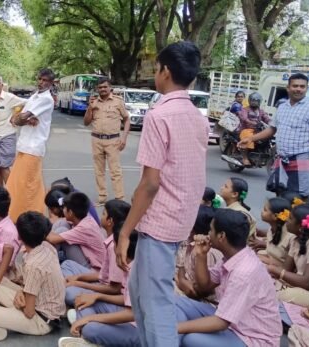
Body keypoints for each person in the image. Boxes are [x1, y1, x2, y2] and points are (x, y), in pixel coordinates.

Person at [115, 41, 207, 347]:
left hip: (161, 221)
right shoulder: (197, 116)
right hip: (180, 217)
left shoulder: (159, 115)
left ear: (165, 72)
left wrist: (125, 232)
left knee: (156, 305)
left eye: (156, 68)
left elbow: (150, 183)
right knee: (140, 294)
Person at [174, 209, 281, 346]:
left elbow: (221, 322)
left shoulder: (244, 272)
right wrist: (201, 255)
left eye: (211, 230)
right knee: (176, 302)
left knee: (191, 339)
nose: (208, 234)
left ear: (221, 236)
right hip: (233, 322)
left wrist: (177, 327)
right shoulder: (233, 256)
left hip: (251, 337)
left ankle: (171, 337)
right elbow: (204, 287)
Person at [0, 212, 66, 345]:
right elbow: (36, 285)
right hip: (39, 302)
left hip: (40, 320)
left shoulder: (34, 265)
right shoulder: (47, 247)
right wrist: (21, 292)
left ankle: (0, 323)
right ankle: (2, 318)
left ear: (19, 236)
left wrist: (19, 303)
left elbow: (29, 312)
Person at [239, 73, 309, 197]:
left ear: (306, 89)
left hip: (301, 158)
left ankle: (305, 217)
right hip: (281, 158)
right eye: (295, 86)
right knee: (280, 195)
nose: (298, 89)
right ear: (288, 88)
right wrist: (251, 138)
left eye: (302, 86)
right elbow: (272, 129)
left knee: (301, 197)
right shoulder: (282, 107)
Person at [57, 231, 140, 347]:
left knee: (90, 329)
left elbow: (132, 314)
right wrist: (97, 296)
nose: (113, 247)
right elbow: (127, 299)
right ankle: (92, 335)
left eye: (115, 244)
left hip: (139, 328)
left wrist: (90, 318)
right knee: (83, 301)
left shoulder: (137, 271)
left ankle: (91, 334)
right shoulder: (130, 264)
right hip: (127, 312)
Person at [6, 68, 56, 222]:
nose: (41, 82)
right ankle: (16, 216)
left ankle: (30, 220)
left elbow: (21, 118)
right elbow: (15, 118)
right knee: (16, 184)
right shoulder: (35, 96)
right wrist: (22, 119)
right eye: (40, 79)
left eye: (45, 80)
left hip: (33, 148)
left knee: (28, 187)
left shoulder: (46, 99)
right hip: (24, 146)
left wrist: (22, 119)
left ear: (51, 83)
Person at [65, 199, 130, 307]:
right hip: (102, 282)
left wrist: (78, 283)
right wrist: (79, 277)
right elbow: (103, 275)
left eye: (104, 213)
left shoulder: (115, 246)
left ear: (110, 221)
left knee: (69, 293)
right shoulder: (111, 239)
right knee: (67, 265)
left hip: (109, 292)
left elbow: (114, 289)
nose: (101, 216)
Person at [83, 77, 130, 203]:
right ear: (97, 89)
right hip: (96, 140)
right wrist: (90, 108)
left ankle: (119, 198)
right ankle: (102, 197)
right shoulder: (94, 102)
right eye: (100, 87)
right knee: (99, 171)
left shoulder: (118, 101)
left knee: (115, 171)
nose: (102, 89)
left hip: (113, 140)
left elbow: (126, 119)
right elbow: (86, 122)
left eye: (105, 87)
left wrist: (124, 137)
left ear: (110, 87)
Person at [47, 192, 106, 272]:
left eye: (64, 208)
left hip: (94, 269)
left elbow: (53, 239)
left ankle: (47, 264)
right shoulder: (84, 217)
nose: (62, 210)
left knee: (61, 231)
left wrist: (38, 228)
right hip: (89, 257)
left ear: (70, 213)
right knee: (61, 223)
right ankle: (47, 258)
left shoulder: (84, 228)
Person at [175, 205, 223, 302]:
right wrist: (180, 279)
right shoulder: (187, 242)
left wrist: (180, 280)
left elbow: (196, 292)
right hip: (184, 284)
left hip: (205, 301)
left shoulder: (206, 252)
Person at [0, 75, 26, 187]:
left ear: (2, 85)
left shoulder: (10, 97)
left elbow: (26, 103)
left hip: (7, 136)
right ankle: (0, 191)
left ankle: (11, 194)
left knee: (3, 166)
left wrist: (15, 115)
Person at [253, 197, 296, 266]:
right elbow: (271, 253)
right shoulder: (272, 228)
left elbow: (287, 267)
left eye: (265, 210)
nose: (262, 211)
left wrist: (263, 259)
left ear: (275, 216)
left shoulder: (290, 237)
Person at [236, 92, 270, 166]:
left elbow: (266, 118)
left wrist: (271, 123)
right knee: (248, 137)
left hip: (258, 129)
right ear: (249, 101)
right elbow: (244, 118)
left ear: (259, 101)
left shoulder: (260, 111)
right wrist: (251, 122)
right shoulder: (245, 109)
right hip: (246, 129)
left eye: (256, 101)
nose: (254, 102)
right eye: (253, 100)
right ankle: (245, 158)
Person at [219, 177, 258, 244]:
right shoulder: (233, 209)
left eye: (225, 186)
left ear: (234, 194)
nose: (221, 188)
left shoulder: (236, 214)